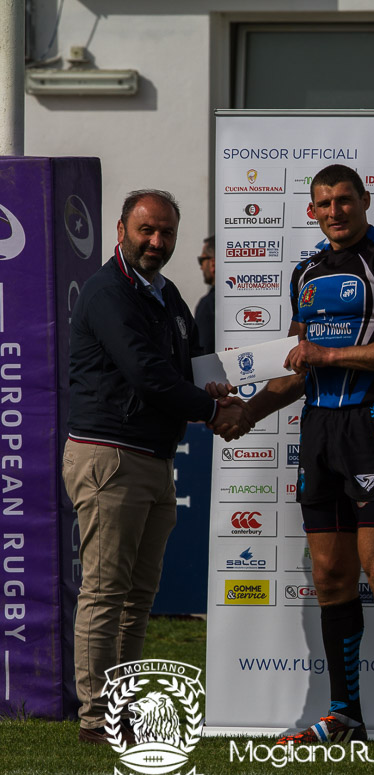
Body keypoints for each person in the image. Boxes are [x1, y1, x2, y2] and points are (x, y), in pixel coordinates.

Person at [212, 164, 374, 745]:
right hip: (319, 433)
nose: (334, 211)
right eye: (323, 204)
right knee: (332, 576)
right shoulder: (305, 271)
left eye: (343, 200)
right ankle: (345, 714)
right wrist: (246, 413)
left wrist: (329, 356)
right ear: (312, 211)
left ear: (364, 200)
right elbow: (296, 366)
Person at [63, 190, 252, 743]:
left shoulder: (165, 293)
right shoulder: (108, 292)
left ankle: (119, 709)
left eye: (166, 232)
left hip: (150, 458)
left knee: (137, 598)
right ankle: (96, 719)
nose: (156, 241)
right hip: (110, 457)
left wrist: (207, 388)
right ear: (121, 228)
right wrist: (215, 409)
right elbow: (147, 374)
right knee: (104, 593)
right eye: (146, 229)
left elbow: (178, 371)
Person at [194, 234, 216, 354]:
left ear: (213, 263)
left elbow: (203, 352)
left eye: (202, 260)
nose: (201, 267)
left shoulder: (208, 305)